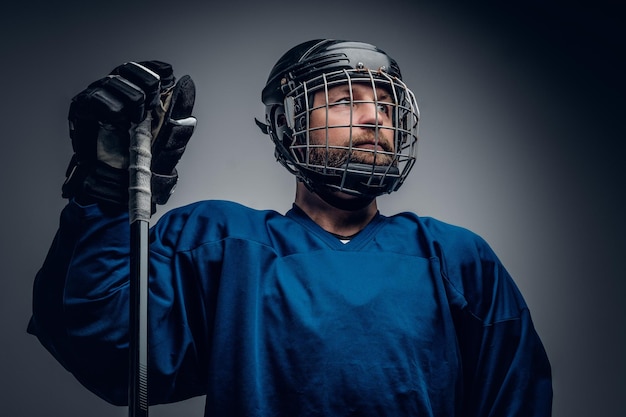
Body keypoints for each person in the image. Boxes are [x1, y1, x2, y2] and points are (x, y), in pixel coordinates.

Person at [28, 39, 553, 416]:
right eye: (348, 100)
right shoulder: (219, 243)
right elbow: (107, 350)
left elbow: (516, 399)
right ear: (286, 124)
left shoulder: (456, 257)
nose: (376, 120)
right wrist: (105, 194)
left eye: (388, 106)